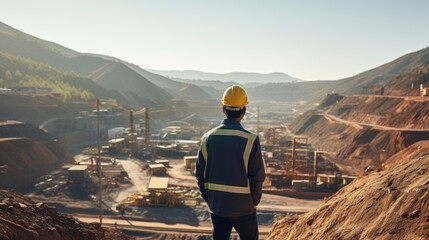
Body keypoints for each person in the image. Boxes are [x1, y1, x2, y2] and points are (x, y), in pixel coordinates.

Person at [196, 85, 266, 240]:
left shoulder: (207, 138)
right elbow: (257, 176)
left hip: (218, 205)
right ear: (244, 111)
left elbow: (200, 174)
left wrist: (209, 198)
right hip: (244, 207)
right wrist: (255, 201)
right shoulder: (251, 139)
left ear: (223, 109)